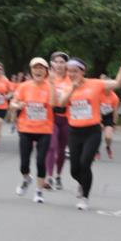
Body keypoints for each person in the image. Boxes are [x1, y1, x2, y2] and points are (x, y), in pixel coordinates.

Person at [59, 50, 121, 210]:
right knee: (74, 170)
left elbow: (117, 83)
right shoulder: (67, 87)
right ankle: (82, 183)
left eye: (75, 71)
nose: (72, 74)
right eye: (69, 71)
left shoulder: (95, 84)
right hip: (74, 132)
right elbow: (61, 104)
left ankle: (84, 198)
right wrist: (72, 89)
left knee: (85, 164)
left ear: (83, 71)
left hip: (91, 131)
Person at [11, 58, 56, 203]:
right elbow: (13, 102)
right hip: (26, 128)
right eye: (35, 68)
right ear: (31, 70)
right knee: (24, 163)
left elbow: (54, 104)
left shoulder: (50, 87)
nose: (38, 70)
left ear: (46, 71)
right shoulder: (24, 86)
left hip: (44, 129)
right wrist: (17, 105)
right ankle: (26, 178)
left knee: (40, 161)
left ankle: (39, 191)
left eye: (42, 68)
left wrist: (54, 86)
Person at [44, 51, 71, 190]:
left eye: (62, 62)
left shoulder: (71, 79)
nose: (59, 65)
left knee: (61, 151)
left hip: (66, 118)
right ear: (51, 64)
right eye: (56, 62)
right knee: (52, 146)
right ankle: (49, 177)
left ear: (67, 64)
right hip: (51, 117)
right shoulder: (46, 78)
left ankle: (58, 175)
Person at [98, 75, 120, 158]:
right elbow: (95, 107)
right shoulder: (99, 94)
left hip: (108, 117)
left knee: (108, 136)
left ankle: (108, 147)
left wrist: (114, 123)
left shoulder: (114, 97)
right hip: (98, 116)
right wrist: (99, 121)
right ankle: (96, 150)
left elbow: (115, 112)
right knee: (97, 135)